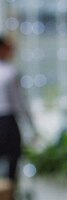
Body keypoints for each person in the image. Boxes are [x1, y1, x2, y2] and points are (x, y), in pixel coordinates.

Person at [0, 36, 35, 182]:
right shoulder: (10, 72)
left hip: (7, 120)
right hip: (7, 123)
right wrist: (31, 125)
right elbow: (20, 102)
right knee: (11, 164)